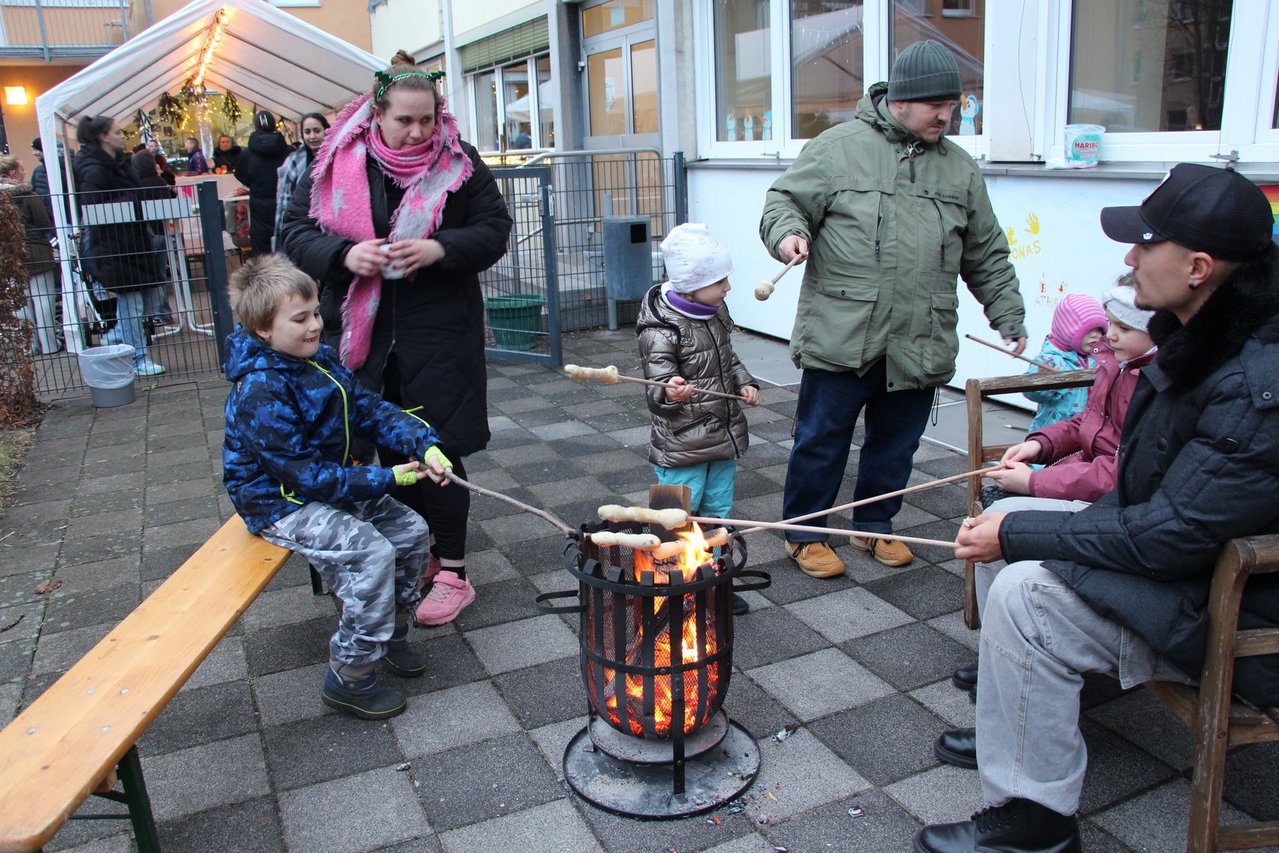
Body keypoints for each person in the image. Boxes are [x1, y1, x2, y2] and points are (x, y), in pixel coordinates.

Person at [915, 163, 1279, 853]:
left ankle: (1036, 824)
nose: (1128, 258)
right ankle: (1023, 721)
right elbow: (1153, 500)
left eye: (1144, 244)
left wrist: (1026, 529)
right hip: (1183, 563)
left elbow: (1173, 536)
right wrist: (1026, 511)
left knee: (1024, 589)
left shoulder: (1253, 381)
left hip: (1235, 608)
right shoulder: (1199, 337)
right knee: (1003, 531)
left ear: (1197, 266)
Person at [759, 39, 1026, 578]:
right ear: (901, 100)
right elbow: (784, 202)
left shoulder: (959, 170)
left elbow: (986, 250)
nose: (948, 116)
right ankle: (807, 531)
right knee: (820, 441)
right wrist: (789, 236)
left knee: (897, 444)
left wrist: (1008, 313)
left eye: (954, 105)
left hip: (919, 337)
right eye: (937, 106)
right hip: (842, 331)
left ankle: (872, 526)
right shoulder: (836, 149)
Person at [281, 51, 513, 627]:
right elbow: (293, 231)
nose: (417, 132)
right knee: (388, 451)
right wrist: (343, 253)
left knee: (438, 450)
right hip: (361, 334)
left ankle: (454, 572)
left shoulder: (459, 161)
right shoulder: (337, 161)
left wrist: (439, 249)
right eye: (404, 120)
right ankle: (424, 550)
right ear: (376, 115)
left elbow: (494, 231)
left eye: (427, 121)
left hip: (438, 331)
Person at [222, 255, 452, 720]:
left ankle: (390, 633)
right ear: (263, 329)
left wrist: (424, 444)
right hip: (279, 501)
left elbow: (370, 409)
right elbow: (303, 477)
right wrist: (386, 477)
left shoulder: (320, 362)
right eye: (300, 318)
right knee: (369, 553)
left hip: (329, 483)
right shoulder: (261, 389)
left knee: (409, 531)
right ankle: (350, 674)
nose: (315, 326)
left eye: (315, 313)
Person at [637, 223, 761, 614]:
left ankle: (712, 582)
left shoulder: (715, 311)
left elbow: (729, 358)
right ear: (691, 285)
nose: (727, 288)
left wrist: (745, 381)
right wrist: (669, 391)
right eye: (719, 281)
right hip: (683, 442)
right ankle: (671, 588)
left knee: (718, 513)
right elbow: (655, 389)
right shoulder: (661, 328)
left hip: (721, 436)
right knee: (676, 517)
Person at [981, 281, 1155, 506]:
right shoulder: (1115, 363)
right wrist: (1041, 444)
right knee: (994, 512)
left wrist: (1034, 482)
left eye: (1124, 328)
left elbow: (1122, 472)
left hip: (1111, 498)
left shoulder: (1151, 384)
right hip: (1081, 472)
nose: (1108, 335)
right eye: (1110, 323)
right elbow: (1089, 420)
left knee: (997, 521)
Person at [72, 115, 167, 376]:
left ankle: (117, 340)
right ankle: (135, 355)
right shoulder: (95, 169)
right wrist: (131, 202)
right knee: (132, 303)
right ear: (103, 136)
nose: (121, 136)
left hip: (131, 241)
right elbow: (94, 208)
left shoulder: (118, 164)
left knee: (141, 301)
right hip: (115, 245)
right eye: (116, 132)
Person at [1021, 293, 1108, 433]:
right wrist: (1041, 382)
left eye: (1100, 330)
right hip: (1051, 435)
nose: (1096, 335)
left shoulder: (1099, 358)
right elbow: (1029, 391)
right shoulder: (1050, 360)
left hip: (1086, 433)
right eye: (1089, 330)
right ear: (1068, 330)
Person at [0, 155, 59, 355]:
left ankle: (29, 346)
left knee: (20, 301)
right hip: (37, 250)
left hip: (9, 255)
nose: (25, 173)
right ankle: (50, 345)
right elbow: (44, 223)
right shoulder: (29, 195)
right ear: (13, 173)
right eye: (21, 170)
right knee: (44, 299)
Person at [234, 110, 293, 256]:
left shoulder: (246, 154)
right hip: (286, 205)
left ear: (255, 126)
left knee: (263, 254)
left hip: (259, 208)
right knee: (287, 248)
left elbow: (241, 175)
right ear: (274, 126)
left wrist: (256, 185)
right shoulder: (289, 151)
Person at [131, 148, 176, 327]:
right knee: (159, 274)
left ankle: (151, 314)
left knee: (146, 276)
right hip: (161, 231)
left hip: (145, 235)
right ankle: (162, 312)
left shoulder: (136, 186)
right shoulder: (160, 182)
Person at [273, 112, 329, 251]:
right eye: (307, 132)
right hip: (304, 229)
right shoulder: (294, 161)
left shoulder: (339, 156)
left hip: (329, 229)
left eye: (317, 131)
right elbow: (284, 202)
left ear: (326, 130)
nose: (312, 136)